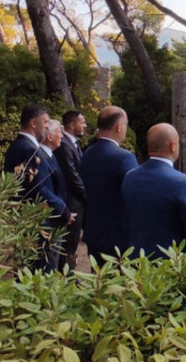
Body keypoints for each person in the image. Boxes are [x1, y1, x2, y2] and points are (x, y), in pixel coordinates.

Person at [121, 123, 186, 258]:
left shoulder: (130, 177)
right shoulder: (183, 183)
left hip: (135, 260)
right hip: (169, 263)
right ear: (173, 146)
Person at [3, 103, 71, 272]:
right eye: (46, 122)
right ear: (34, 123)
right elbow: (38, 188)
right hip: (39, 223)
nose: (48, 126)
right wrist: (63, 210)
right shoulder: (28, 149)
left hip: (33, 220)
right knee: (41, 272)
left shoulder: (22, 146)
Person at [79, 106, 138, 268]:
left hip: (94, 230)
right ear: (119, 127)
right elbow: (134, 194)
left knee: (100, 281)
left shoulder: (87, 154)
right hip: (120, 235)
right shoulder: (124, 158)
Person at [38, 120, 75, 272]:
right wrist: (63, 210)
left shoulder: (50, 155)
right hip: (49, 220)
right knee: (47, 265)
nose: (62, 136)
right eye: (59, 133)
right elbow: (44, 189)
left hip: (55, 217)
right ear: (49, 137)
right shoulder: (40, 157)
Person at [55, 110, 87, 270]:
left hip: (76, 201)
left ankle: (69, 272)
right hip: (71, 201)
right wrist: (87, 194)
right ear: (72, 124)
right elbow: (72, 175)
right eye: (82, 122)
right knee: (69, 242)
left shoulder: (73, 144)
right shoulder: (64, 146)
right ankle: (67, 274)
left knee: (73, 242)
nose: (85, 125)